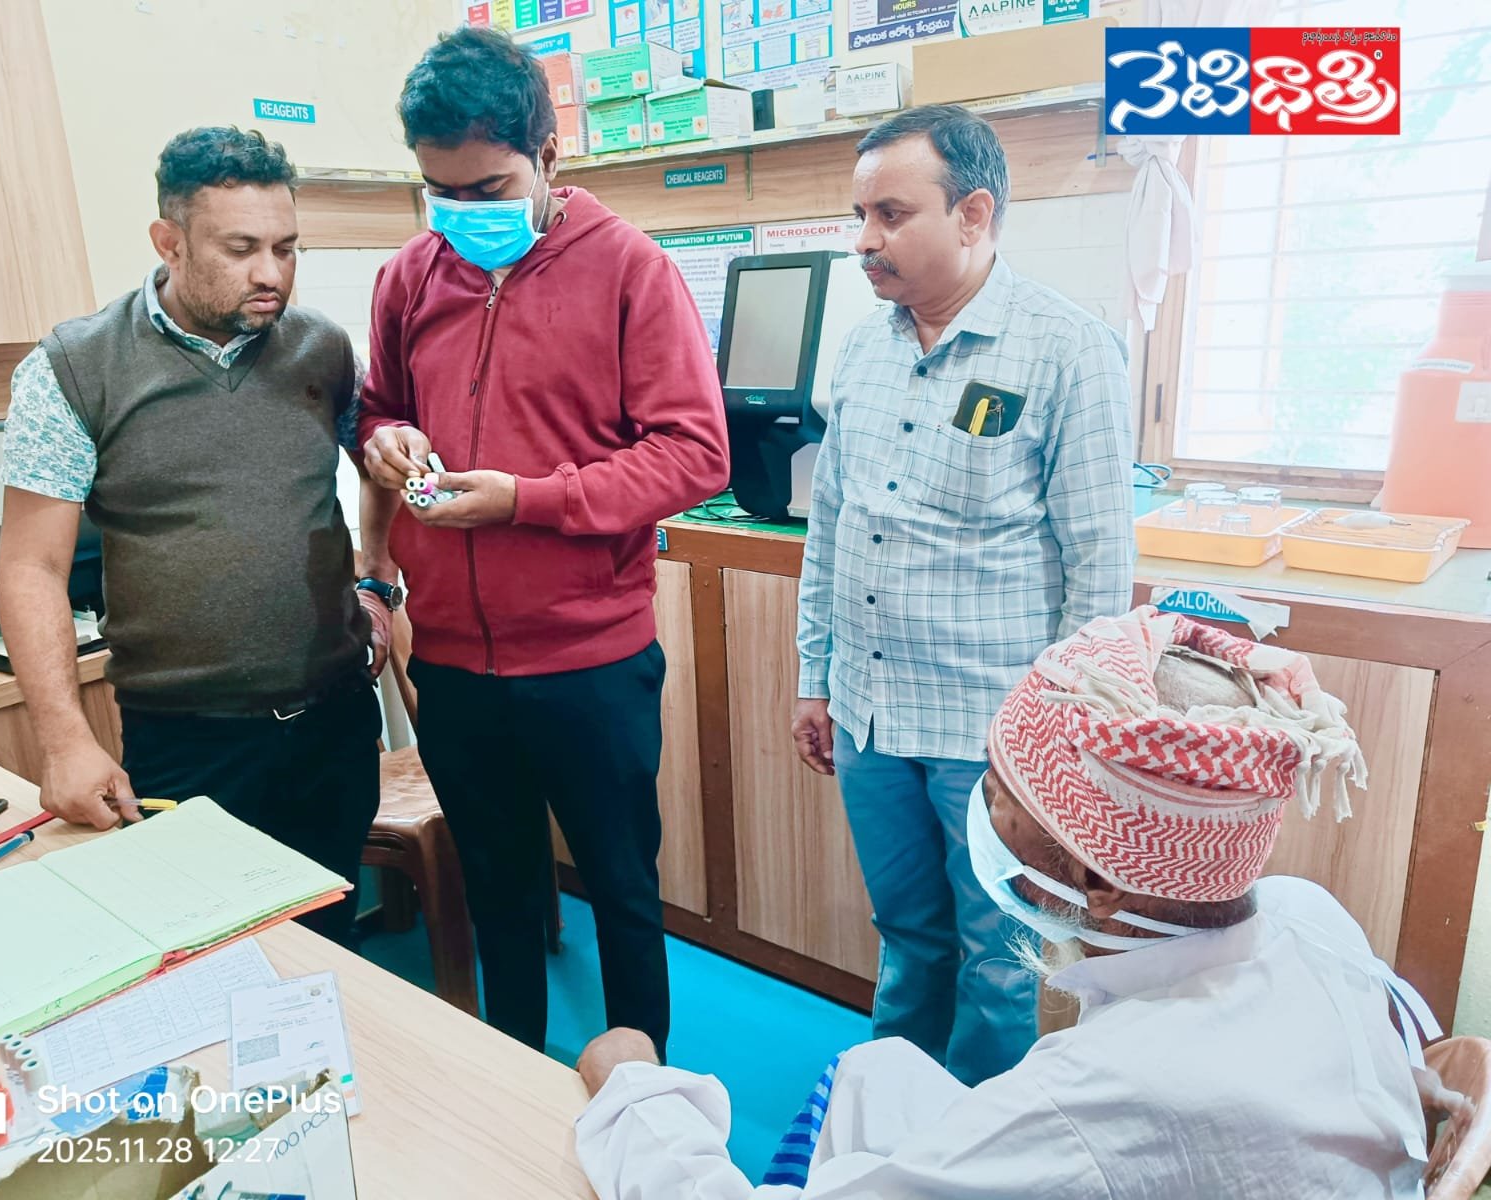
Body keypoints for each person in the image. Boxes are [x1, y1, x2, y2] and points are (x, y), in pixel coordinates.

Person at [575, 606, 1440, 1198]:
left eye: (1000, 796)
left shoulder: (1098, 1095)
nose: (976, 810)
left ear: (1098, 880)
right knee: (879, 1072)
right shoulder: (1305, 914)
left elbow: (1082, 1122)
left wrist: (639, 1091)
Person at [358, 27, 729, 1061]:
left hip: (590, 660)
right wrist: (383, 440)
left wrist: (526, 499)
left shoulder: (630, 270)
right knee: (499, 886)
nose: (462, 216)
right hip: (456, 664)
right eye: (439, 191)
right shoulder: (408, 276)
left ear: (550, 156)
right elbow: (378, 407)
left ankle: (646, 1093)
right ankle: (511, 1070)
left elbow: (695, 455)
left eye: (488, 186)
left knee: (620, 887)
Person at [790, 102, 1135, 1084]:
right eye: (859, 216)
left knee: (997, 960)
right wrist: (815, 679)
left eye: (890, 215)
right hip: (868, 716)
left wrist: (1061, 744)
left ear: (973, 215)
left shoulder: (1067, 350)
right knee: (905, 936)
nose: (864, 242)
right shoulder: (862, 349)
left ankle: (975, 1154)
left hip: (993, 736)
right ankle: (892, 1111)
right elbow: (833, 534)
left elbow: (1099, 568)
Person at [0, 127, 397, 944]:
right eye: (242, 248)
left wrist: (374, 576)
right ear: (168, 243)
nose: (271, 274)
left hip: (333, 722)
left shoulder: (321, 346)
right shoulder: (75, 366)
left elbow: (376, 459)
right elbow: (32, 567)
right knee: (211, 961)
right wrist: (66, 740)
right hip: (188, 739)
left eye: (287, 248)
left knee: (335, 949)